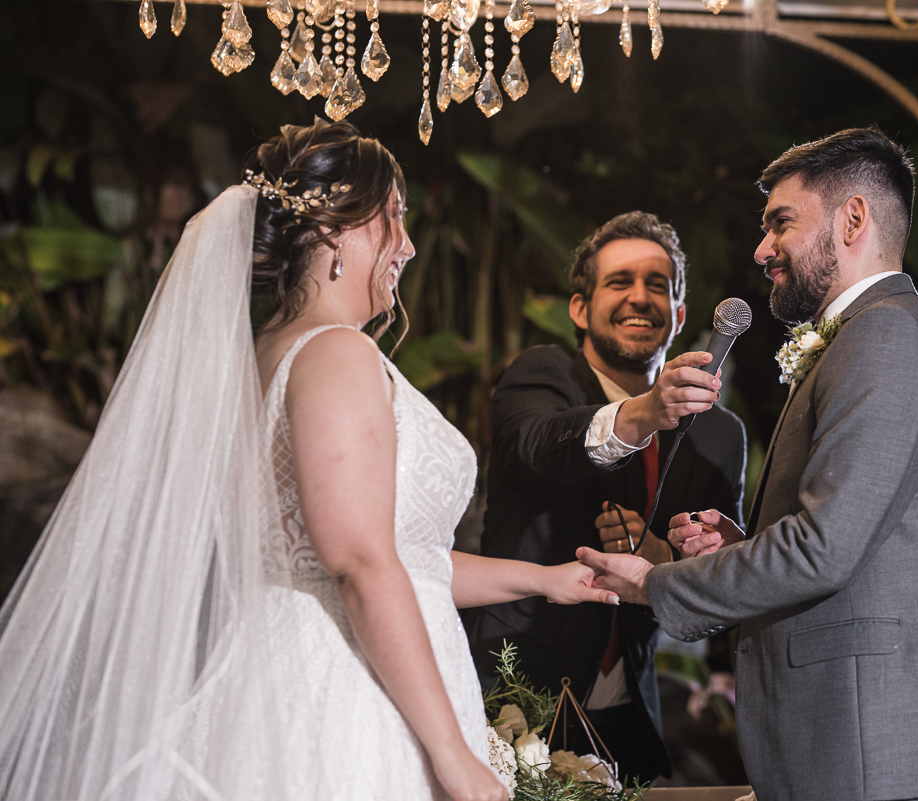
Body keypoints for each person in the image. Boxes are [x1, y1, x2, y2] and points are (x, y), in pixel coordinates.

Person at [0, 120, 617, 801]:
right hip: (344, 693)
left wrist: (542, 578)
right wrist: (450, 751)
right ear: (335, 233)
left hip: (321, 667)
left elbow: (395, 556)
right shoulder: (336, 352)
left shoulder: (269, 354)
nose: (408, 246)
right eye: (394, 218)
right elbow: (357, 562)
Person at [577, 129, 918, 801]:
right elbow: (859, 544)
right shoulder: (881, 335)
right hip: (862, 750)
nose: (762, 249)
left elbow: (825, 547)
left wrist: (657, 584)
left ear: (852, 219)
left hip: (874, 752)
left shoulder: (885, 336)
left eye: (781, 223)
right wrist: (744, 547)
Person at [463, 212, 747, 783]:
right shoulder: (540, 376)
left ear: (681, 315)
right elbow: (539, 444)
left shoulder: (719, 436)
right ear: (579, 308)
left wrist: (679, 563)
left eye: (657, 285)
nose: (638, 297)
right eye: (619, 282)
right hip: (517, 695)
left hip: (628, 710)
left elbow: (725, 593)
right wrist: (646, 412)